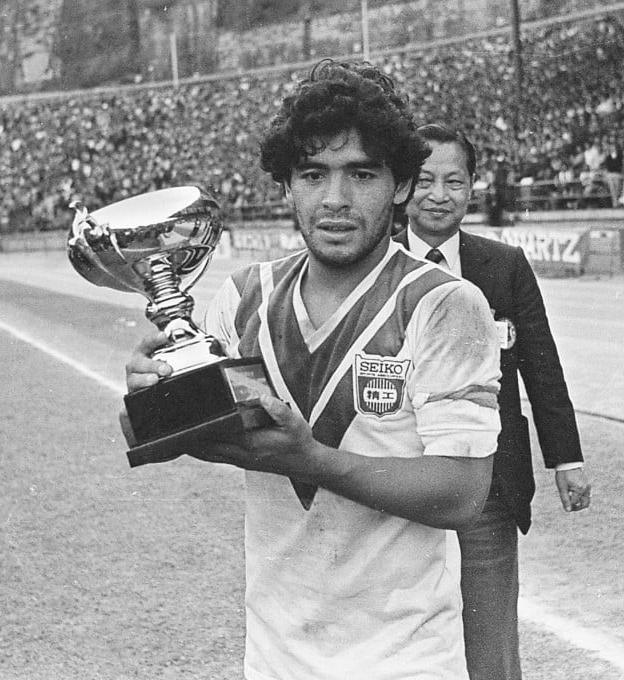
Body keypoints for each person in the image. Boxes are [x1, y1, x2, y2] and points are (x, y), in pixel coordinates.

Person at [126, 60, 502, 679]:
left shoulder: (444, 304)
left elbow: (462, 492)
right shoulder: (243, 297)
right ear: (286, 187)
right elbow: (150, 435)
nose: (335, 199)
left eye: (362, 173)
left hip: (404, 661)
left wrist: (310, 460)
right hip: (276, 659)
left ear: (401, 186)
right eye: (313, 173)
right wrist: (150, 395)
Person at [396, 123, 592, 680]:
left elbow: (542, 368)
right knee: (401, 643)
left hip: (485, 484)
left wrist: (567, 460)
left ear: (473, 187)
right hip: (394, 480)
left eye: (454, 181)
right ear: (404, 187)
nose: (439, 194)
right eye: (426, 180)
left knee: (489, 648)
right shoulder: (375, 265)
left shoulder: (504, 265)